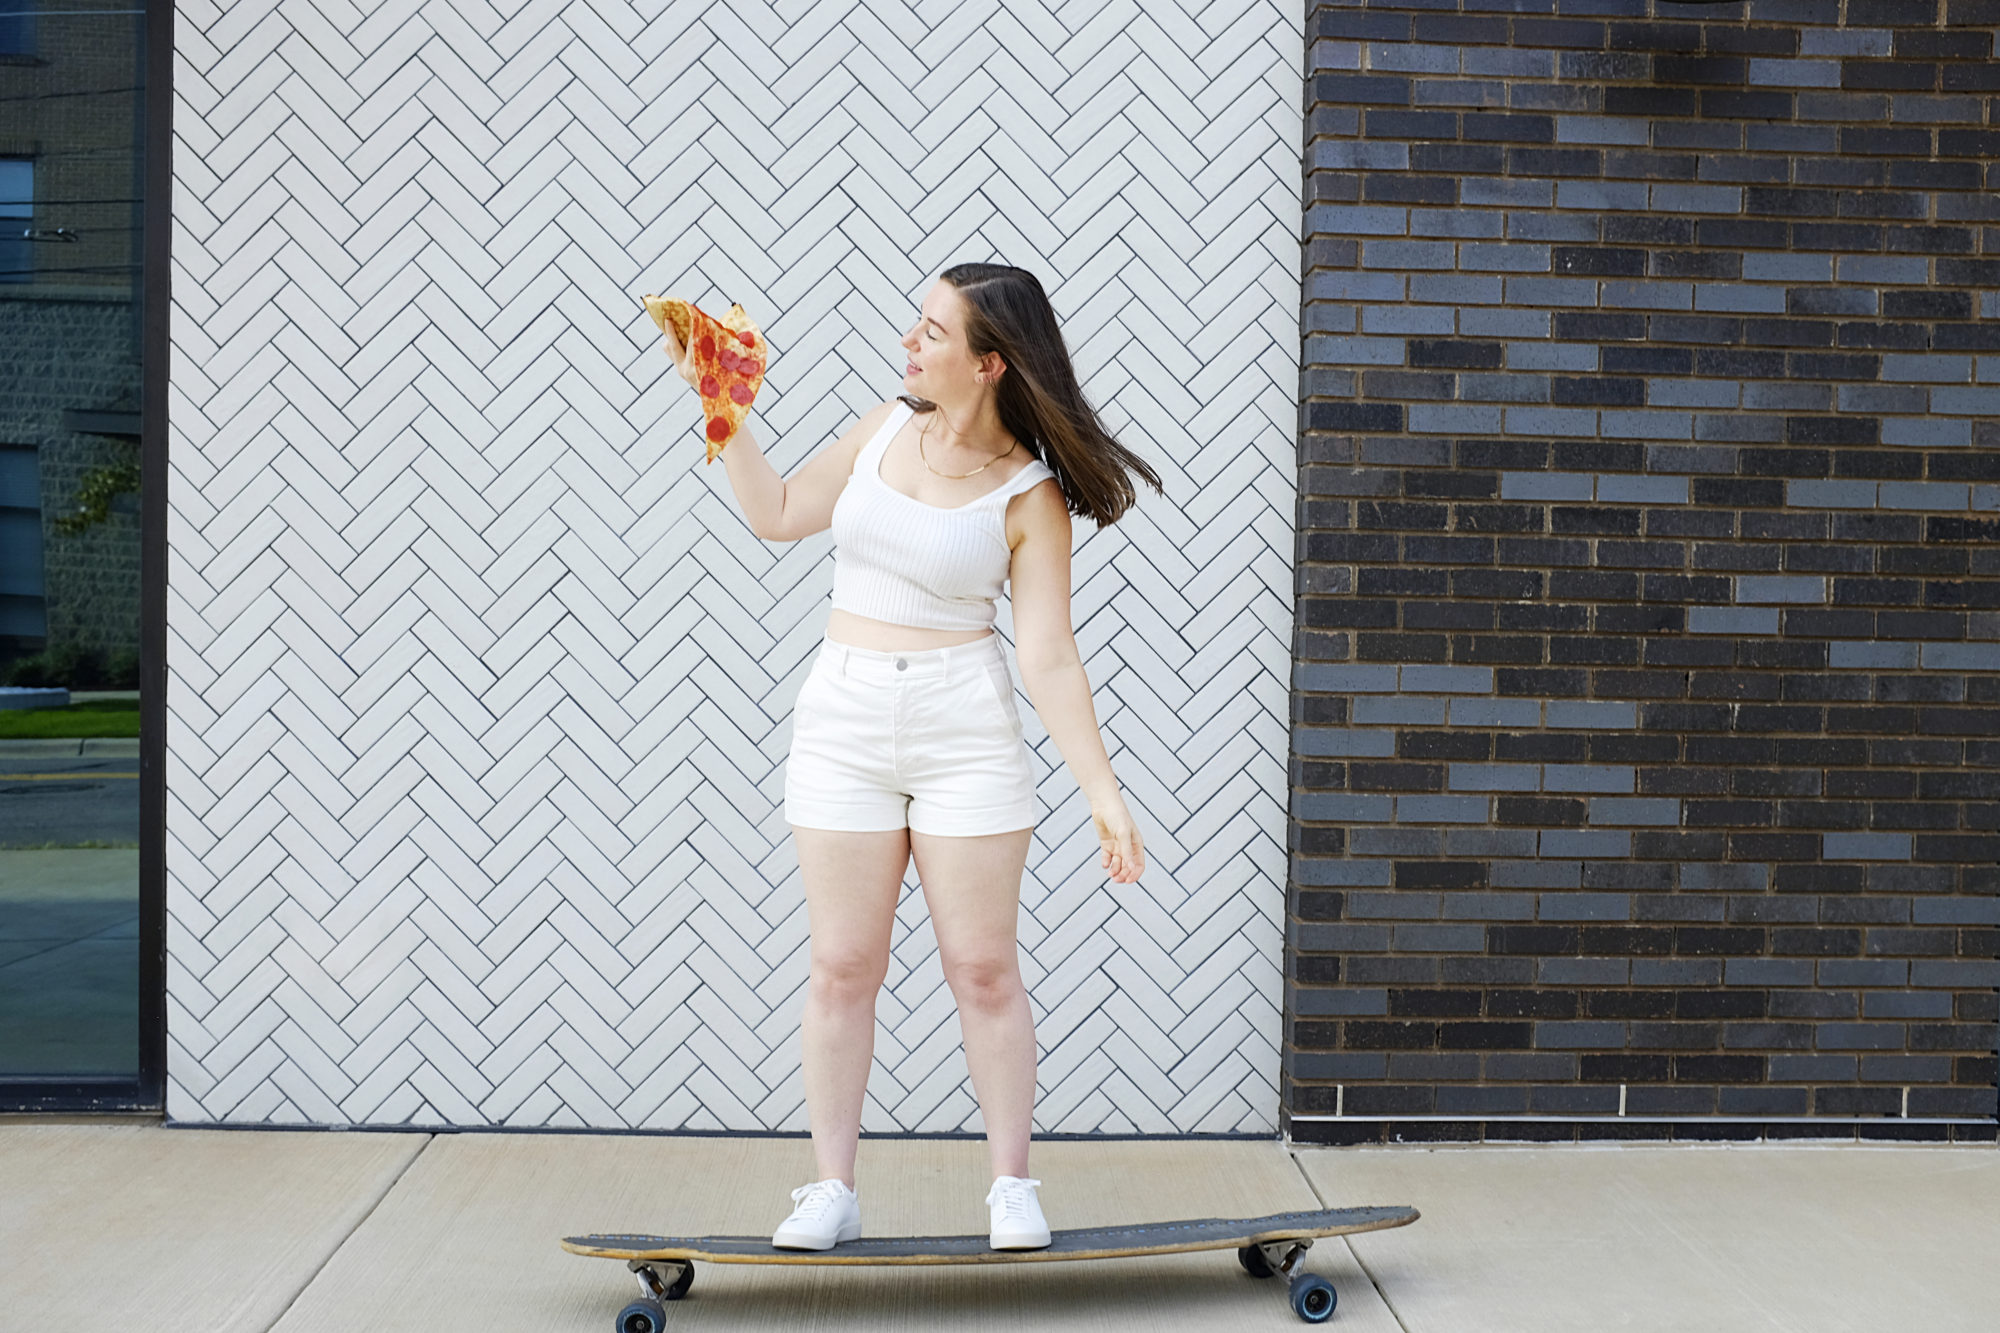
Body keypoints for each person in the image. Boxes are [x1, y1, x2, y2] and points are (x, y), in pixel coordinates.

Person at [658, 262, 1160, 1251]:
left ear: (989, 362)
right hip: (841, 720)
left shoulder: (1028, 497)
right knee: (841, 965)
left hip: (961, 731)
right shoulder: (881, 427)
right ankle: (830, 1190)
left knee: (981, 969)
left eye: (930, 332)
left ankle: (1011, 1185)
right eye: (913, 324)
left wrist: (1102, 793)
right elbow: (777, 514)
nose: (908, 344)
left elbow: (1048, 656)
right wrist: (722, 410)